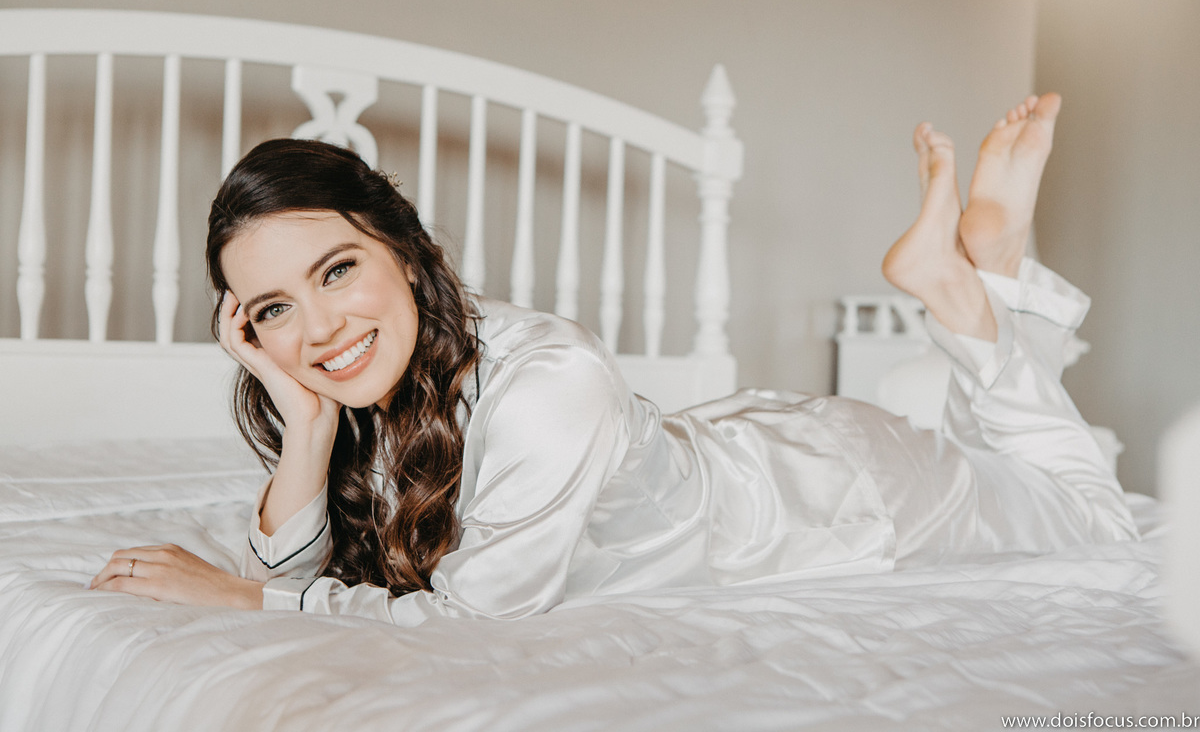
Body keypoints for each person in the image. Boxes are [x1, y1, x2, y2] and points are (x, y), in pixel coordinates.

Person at [90, 94, 1137, 624]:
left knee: (1094, 518)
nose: (315, 329)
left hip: (833, 496)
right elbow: (317, 562)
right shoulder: (348, 382)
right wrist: (305, 427)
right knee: (1032, 471)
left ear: (403, 252)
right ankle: (983, 265)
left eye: (337, 269)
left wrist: (245, 601)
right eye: (273, 307)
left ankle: (976, 273)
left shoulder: (549, 383)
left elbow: (472, 622)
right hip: (737, 454)